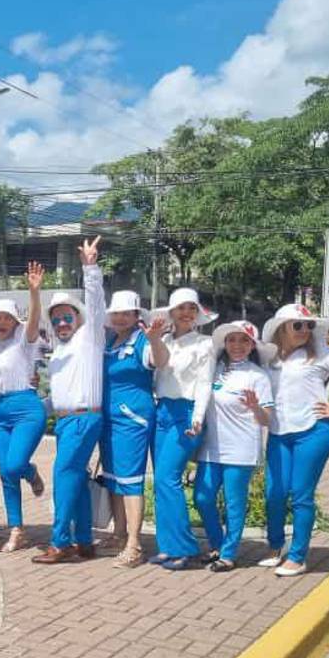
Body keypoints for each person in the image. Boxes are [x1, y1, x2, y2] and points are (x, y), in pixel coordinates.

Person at [260, 304, 329, 576]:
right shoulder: (269, 357)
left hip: (314, 431)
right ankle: (275, 546)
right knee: (274, 493)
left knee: (301, 494)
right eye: (297, 325)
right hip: (279, 433)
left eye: (309, 325)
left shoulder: (321, 353)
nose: (304, 330)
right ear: (281, 328)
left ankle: (297, 557)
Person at [33, 236, 107, 565]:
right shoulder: (60, 351)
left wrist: (90, 267)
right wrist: (35, 407)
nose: (62, 323)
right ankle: (85, 541)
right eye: (57, 319)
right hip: (66, 421)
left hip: (82, 418)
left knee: (64, 476)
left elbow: (96, 303)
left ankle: (60, 542)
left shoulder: (90, 336)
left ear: (78, 318)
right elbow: (57, 396)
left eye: (67, 317)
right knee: (75, 479)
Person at [194, 322, 276, 572]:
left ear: (252, 346)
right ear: (225, 343)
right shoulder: (215, 369)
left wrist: (255, 407)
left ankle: (228, 554)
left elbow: (267, 419)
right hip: (211, 447)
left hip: (241, 449)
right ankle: (217, 543)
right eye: (232, 340)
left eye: (244, 341)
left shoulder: (257, 376)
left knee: (234, 503)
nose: (237, 345)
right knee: (202, 497)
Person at [148, 287, 216, 570]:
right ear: (172, 313)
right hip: (162, 411)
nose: (186, 313)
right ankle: (167, 546)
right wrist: (154, 339)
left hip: (186, 413)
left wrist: (198, 417)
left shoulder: (205, 343)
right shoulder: (162, 340)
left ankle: (184, 547)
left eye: (192, 308)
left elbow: (205, 383)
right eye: (181, 308)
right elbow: (156, 368)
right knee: (161, 481)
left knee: (168, 478)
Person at [99, 291, 168, 568]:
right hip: (109, 418)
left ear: (137, 315)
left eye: (126, 313)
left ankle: (134, 544)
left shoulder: (142, 340)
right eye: (116, 313)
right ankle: (119, 534)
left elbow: (159, 361)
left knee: (130, 481)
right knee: (114, 478)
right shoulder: (110, 339)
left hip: (132, 419)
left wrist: (155, 339)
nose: (120, 318)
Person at [0, 262, 50, 553]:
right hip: (1, 413)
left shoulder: (24, 341)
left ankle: (32, 473)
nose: (2, 322)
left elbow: (34, 320)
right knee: (5, 473)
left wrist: (34, 293)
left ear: (15, 321)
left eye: (7, 317)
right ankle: (17, 528)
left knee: (15, 465)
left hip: (26, 409)